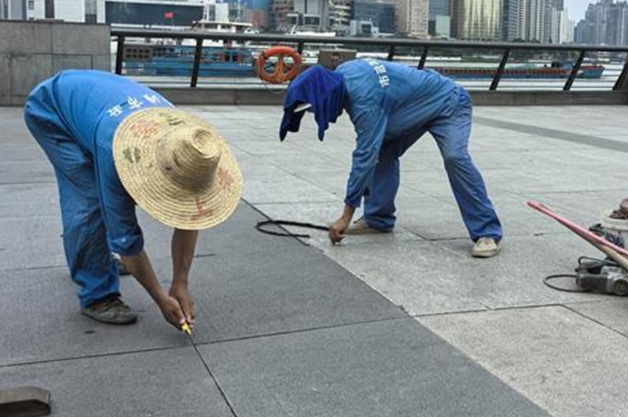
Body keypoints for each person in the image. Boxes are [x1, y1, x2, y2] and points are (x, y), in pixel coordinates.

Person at [24, 70, 243, 327]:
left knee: (103, 199)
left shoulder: (186, 140)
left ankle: (95, 258)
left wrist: (180, 282)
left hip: (94, 105)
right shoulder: (115, 153)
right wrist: (161, 299)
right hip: (51, 110)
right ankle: (96, 295)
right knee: (91, 202)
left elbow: (188, 216)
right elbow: (126, 239)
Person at [279, 59, 503, 258]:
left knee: (455, 157)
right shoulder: (345, 70)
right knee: (382, 151)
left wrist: (345, 217)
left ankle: (487, 232)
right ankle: (378, 219)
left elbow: (364, 157)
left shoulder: (364, 100)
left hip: (449, 102)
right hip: (410, 109)